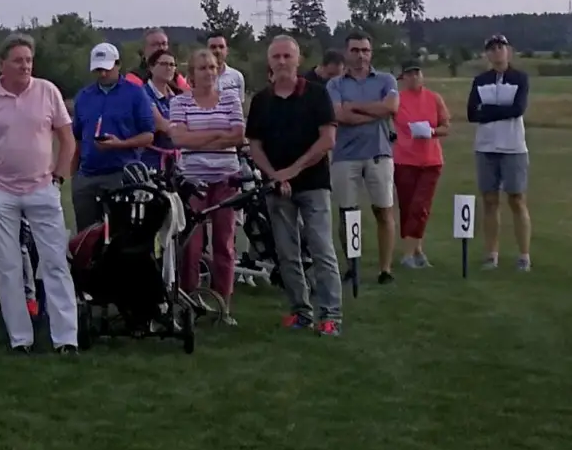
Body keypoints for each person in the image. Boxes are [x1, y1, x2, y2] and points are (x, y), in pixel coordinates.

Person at [0, 34, 79, 354]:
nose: (25, 65)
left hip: (42, 189)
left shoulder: (47, 91)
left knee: (55, 262)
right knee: (9, 266)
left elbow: (67, 139)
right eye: (18, 60)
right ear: (2, 64)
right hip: (0, 192)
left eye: (28, 60)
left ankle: (66, 337)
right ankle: (20, 339)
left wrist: (59, 177)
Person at [245, 35, 342, 336]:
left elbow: (327, 140)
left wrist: (292, 171)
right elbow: (255, 145)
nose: (282, 62)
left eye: (288, 56)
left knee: (321, 249)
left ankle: (330, 315)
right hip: (276, 188)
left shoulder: (316, 95)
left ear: (298, 60)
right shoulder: (261, 100)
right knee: (287, 253)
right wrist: (275, 176)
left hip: (313, 184)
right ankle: (300, 311)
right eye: (277, 57)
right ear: (269, 62)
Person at [169, 48, 245, 324]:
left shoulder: (230, 99)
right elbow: (178, 138)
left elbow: (237, 136)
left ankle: (223, 304)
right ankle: (189, 301)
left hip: (226, 177)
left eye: (213, 67)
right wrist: (217, 134)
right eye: (202, 68)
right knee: (191, 244)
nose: (209, 72)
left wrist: (198, 137)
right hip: (193, 181)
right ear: (191, 74)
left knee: (224, 243)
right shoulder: (180, 102)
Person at [327, 30, 399, 284]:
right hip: (345, 155)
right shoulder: (335, 84)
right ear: (347, 53)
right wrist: (374, 112)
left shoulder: (386, 80)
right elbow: (339, 115)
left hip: (379, 153)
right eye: (355, 50)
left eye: (365, 50)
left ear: (371, 52)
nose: (360, 56)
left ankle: (385, 269)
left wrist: (354, 107)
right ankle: (351, 266)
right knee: (348, 213)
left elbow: (390, 108)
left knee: (384, 211)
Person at [69, 42, 157, 229]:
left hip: (121, 175)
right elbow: (76, 139)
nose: (102, 74)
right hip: (87, 177)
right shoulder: (84, 97)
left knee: (122, 235)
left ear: (118, 65)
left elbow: (148, 135)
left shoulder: (135, 94)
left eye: (107, 69)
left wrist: (120, 144)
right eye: (98, 69)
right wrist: (74, 178)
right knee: (86, 236)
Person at [467, 33, 532, 271]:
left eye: (500, 47)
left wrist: (489, 110)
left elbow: (517, 108)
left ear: (509, 51)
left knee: (517, 200)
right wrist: (497, 110)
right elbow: (473, 114)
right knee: (490, 201)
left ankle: (523, 255)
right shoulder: (480, 80)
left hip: (514, 147)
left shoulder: (520, 78)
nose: (496, 52)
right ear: (487, 54)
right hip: (485, 147)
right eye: (492, 49)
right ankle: (491, 254)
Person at [390, 61, 450, 268]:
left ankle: (408, 254)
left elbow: (446, 126)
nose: (414, 77)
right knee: (407, 207)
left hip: (430, 160)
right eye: (409, 74)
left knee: (420, 206)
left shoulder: (434, 98)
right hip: (404, 159)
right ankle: (417, 250)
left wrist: (431, 131)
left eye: (417, 72)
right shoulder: (397, 100)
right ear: (403, 78)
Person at [205, 33, 246, 99]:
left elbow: (239, 106)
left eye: (221, 47)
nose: (217, 51)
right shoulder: (194, 78)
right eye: (213, 47)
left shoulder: (237, 77)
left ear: (227, 51)